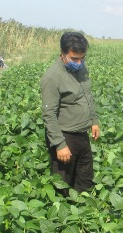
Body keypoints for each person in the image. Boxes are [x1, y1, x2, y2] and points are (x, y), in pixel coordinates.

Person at [40, 32, 100, 197]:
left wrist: (93, 120)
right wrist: (60, 144)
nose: (79, 63)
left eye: (82, 58)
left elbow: (87, 95)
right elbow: (49, 115)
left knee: (85, 178)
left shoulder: (80, 68)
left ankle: (84, 213)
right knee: (62, 184)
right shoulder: (52, 78)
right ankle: (62, 218)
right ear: (62, 54)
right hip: (65, 136)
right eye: (74, 59)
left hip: (82, 134)